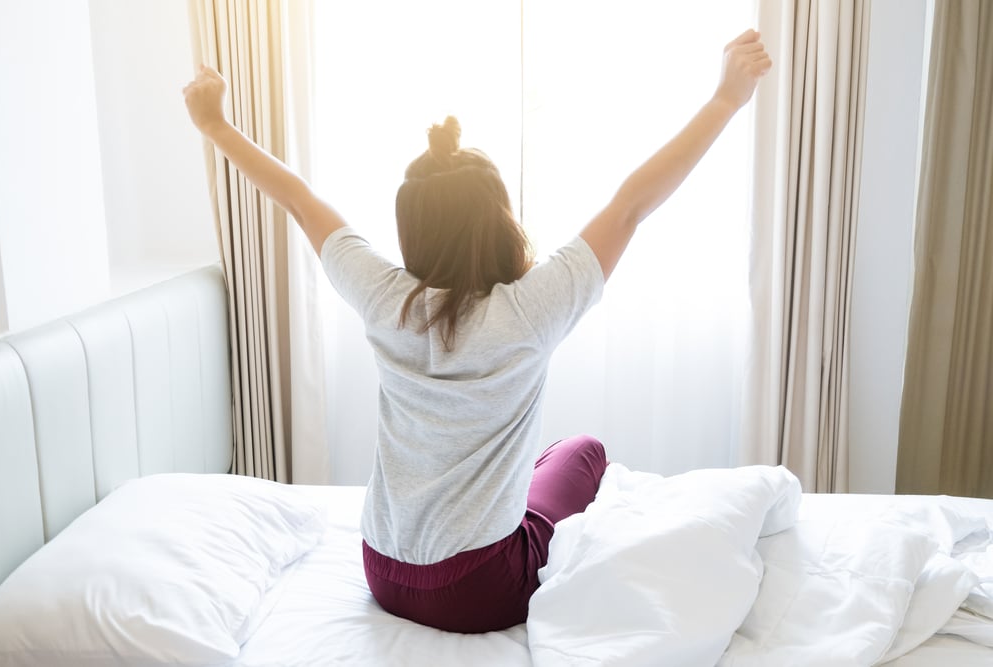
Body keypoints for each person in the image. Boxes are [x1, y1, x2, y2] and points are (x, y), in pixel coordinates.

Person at [183, 29, 771, 633]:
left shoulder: (383, 298)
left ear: (411, 231)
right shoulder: (530, 309)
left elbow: (302, 202)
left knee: (545, 460)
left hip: (382, 569)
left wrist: (216, 126)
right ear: (499, 220)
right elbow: (630, 205)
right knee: (582, 452)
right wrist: (726, 99)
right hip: (479, 589)